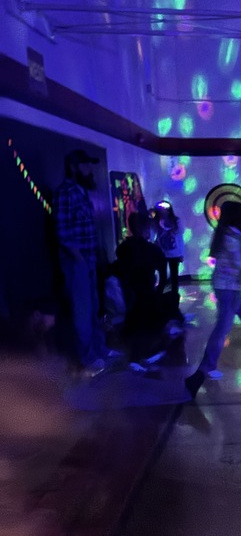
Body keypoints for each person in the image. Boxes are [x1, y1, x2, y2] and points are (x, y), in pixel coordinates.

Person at [185, 199, 241, 397]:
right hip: (229, 289)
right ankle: (201, 373)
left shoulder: (227, 233)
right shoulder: (232, 237)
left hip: (231, 287)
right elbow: (240, 263)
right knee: (223, 328)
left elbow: (239, 262)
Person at [52, 147, 108, 376]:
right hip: (77, 262)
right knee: (82, 312)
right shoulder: (66, 192)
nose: (89, 169)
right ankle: (86, 359)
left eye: (90, 165)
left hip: (88, 260)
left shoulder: (80, 192)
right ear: (73, 167)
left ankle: (98, 351)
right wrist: (80, 261)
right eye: (85, 165)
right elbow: (63, 232)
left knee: (93, 309)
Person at [111, 211, 179, 363]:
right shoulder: (153, 250)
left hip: (131, 295)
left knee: (135, 320)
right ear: (146, 229)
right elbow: (162, 275)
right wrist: (158, 293)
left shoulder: (122, 249)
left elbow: (118, 270)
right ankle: (147, 351)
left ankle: (136, 351)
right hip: (147, 296)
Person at [154, 200, 185, 300]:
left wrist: (181, 253)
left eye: (165, 209)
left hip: (175, 254)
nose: (163, 211)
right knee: (162, 278)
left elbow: (180, 238)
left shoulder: (177, 221)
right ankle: (157, 298)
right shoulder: (156, 222)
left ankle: (174, 298)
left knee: (174, 277)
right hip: (161, 254)